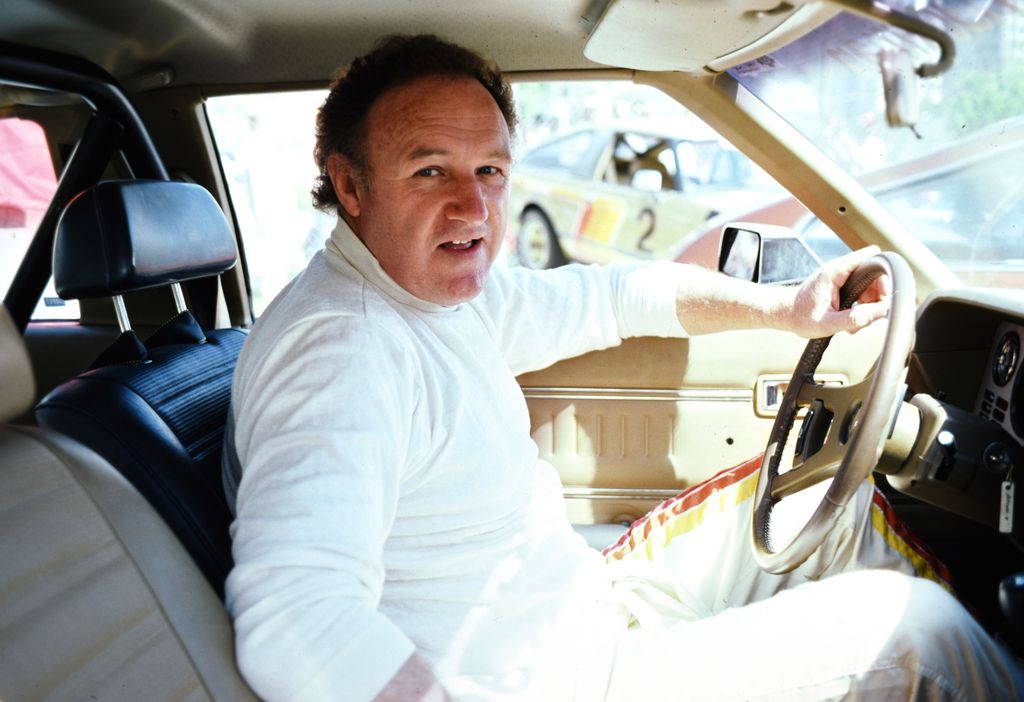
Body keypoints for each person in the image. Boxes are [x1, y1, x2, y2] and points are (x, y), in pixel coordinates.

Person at [222, 34, 1023, 702]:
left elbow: (614, 297)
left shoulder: (428, 295)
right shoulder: (341, 351)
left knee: (828, 506)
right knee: (920, 629)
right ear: (350, 185)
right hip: (563, 683)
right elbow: (294, 614)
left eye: (491, 171)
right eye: (430, 170)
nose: (473, 207)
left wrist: (785, 309)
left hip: (582, 612)